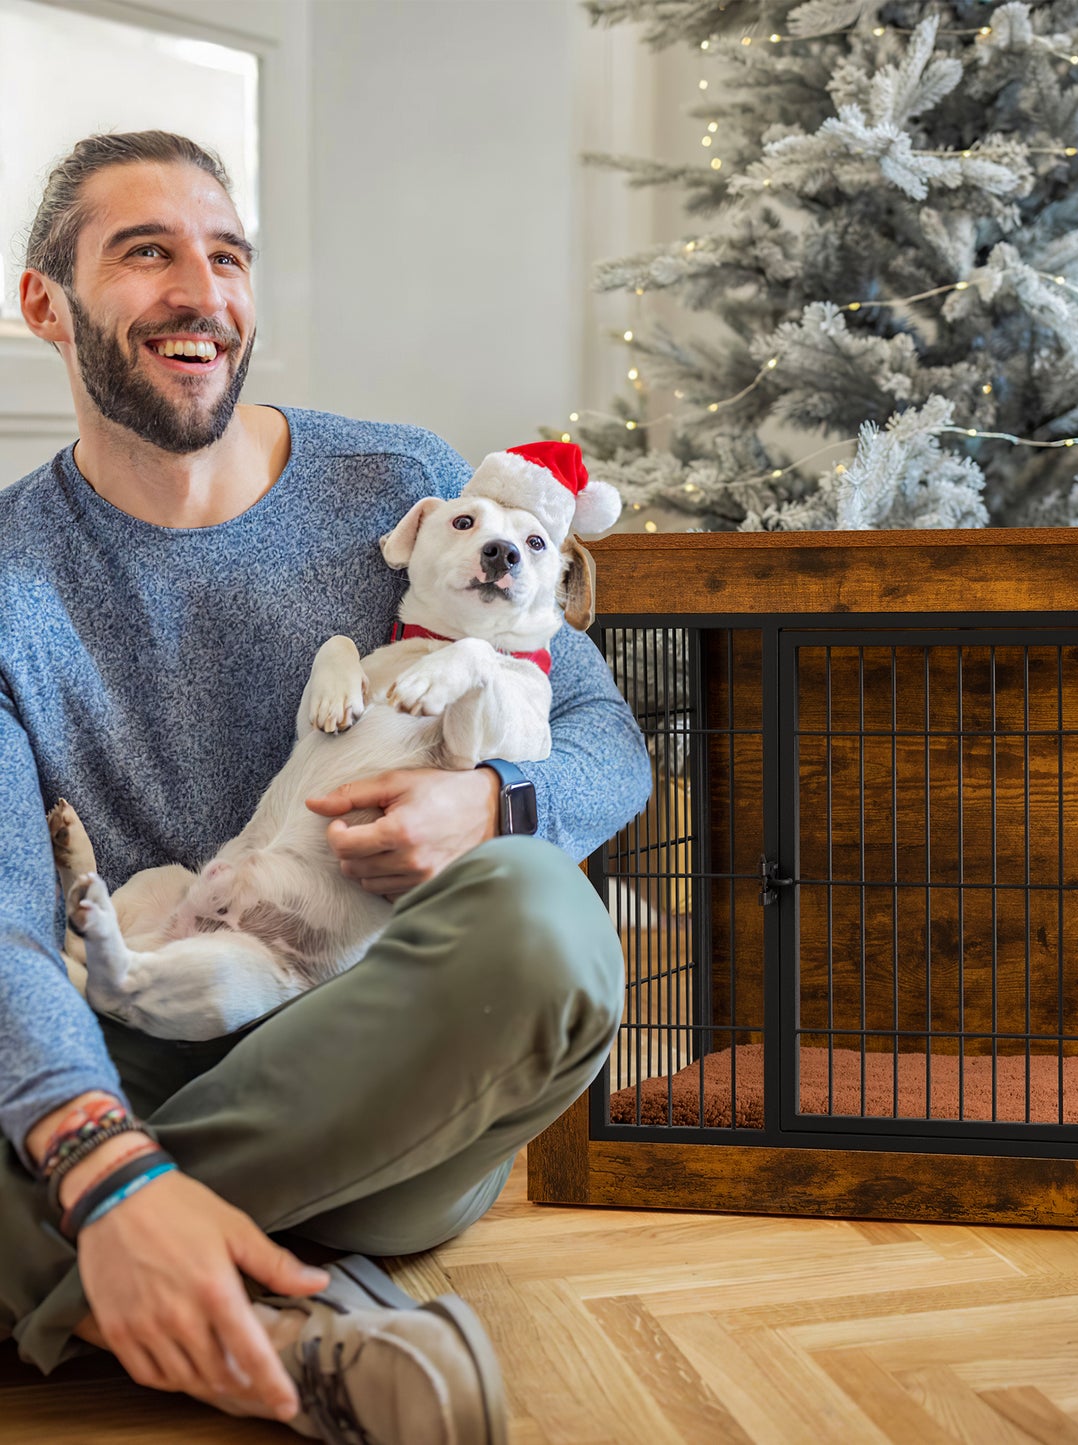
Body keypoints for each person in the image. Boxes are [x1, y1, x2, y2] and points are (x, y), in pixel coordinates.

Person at [0, 130, 650, 1443]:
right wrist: (96, 1134)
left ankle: (85, 1253)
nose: (203, 292)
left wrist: (488, 806)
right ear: (43, 303)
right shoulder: (10, 576)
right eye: (147, 253)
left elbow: (601, 739)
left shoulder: (401, 480)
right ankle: (296, 1331)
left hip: (384, 1060)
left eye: (226, 256)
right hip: (134, 1046)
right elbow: (12, 911)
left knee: (538, 923)